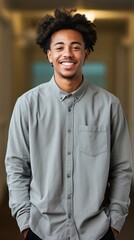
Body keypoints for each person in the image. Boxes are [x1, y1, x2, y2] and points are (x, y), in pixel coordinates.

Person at [5, 8, 132, 240]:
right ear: (49, 55)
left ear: (86, 54)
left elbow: (122, 168)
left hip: (97, 232)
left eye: (75, 47)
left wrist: (115, 222)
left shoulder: (109, 106)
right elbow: (16, 167)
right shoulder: (27, 105)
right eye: (59, 47)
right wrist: (25, 222)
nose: (68, 54)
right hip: (41, 231)